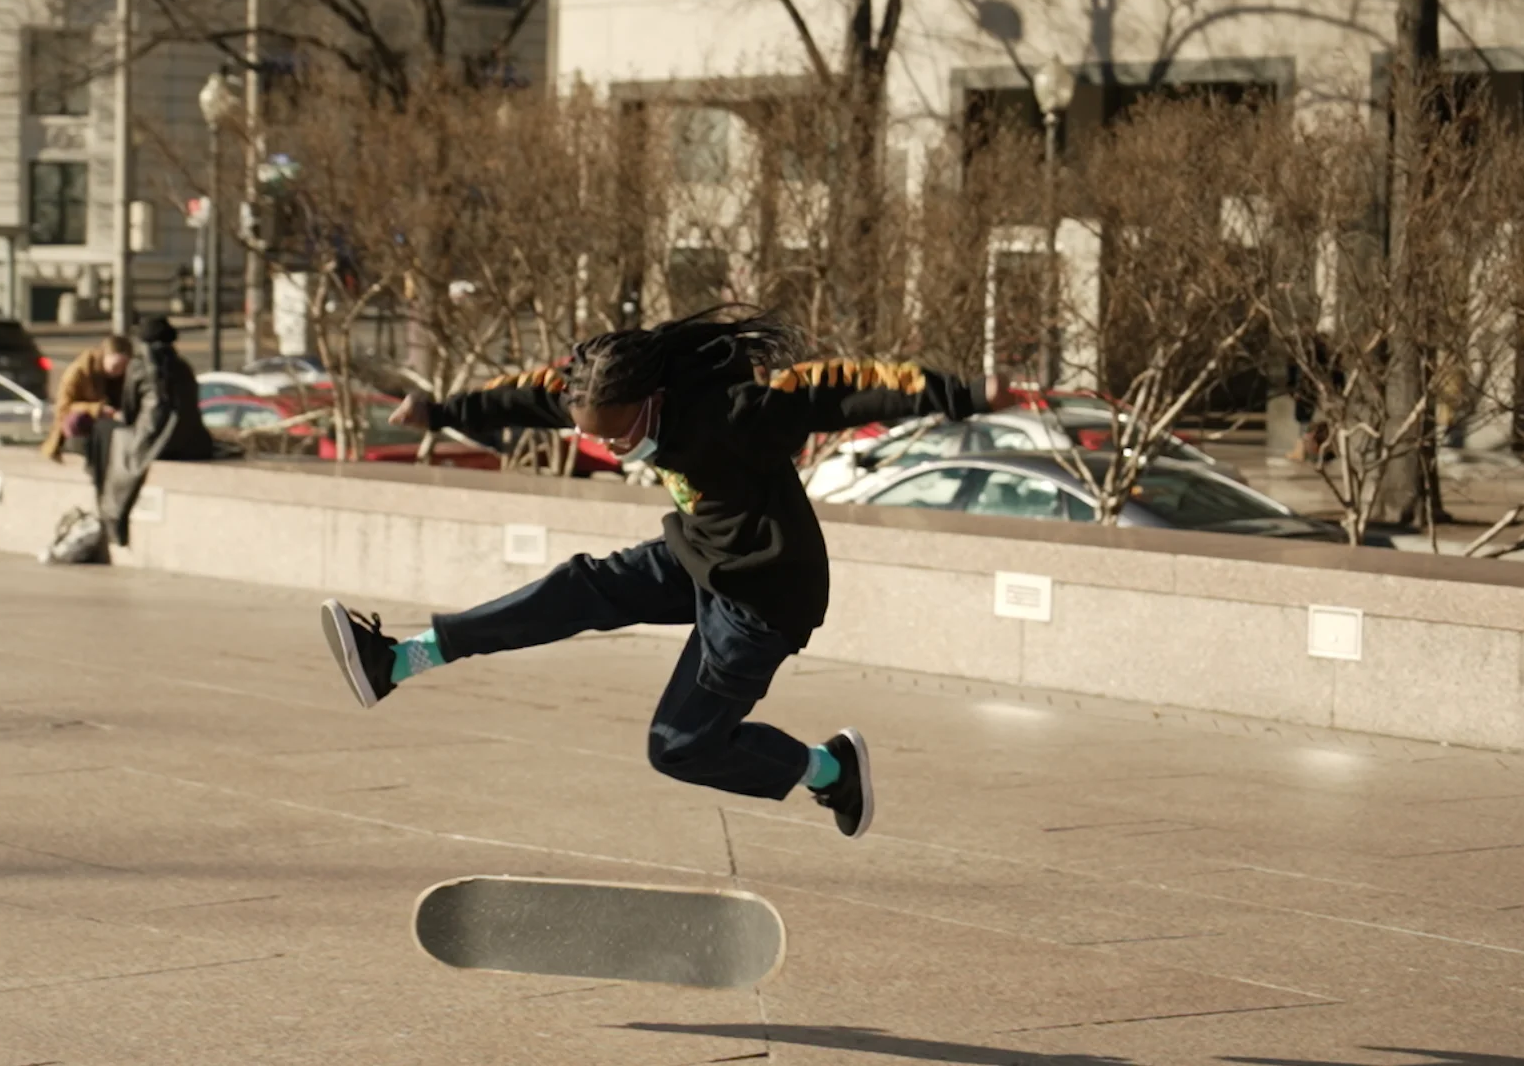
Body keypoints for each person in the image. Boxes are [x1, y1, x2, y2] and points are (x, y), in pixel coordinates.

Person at [318, 307, 1018, 840]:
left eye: (620, 434)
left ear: (652, 401)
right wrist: (442, 411)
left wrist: (964, 393)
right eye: (598, 435)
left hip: (762, 598)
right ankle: (401, 660)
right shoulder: (602, 391)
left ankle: (830, 770)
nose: (616, 447)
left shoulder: (742, 412)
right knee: (578, 587)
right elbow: (533, 395)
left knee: (680, 746)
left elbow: (841, 388)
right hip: (695, 557)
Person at [85, 315, 213, 546]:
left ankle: (110, 514)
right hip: (192, 441)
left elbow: (130, 410)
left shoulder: (139, 366)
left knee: (106, 433)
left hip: (157, 441)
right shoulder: (184, 366)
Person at [42, 334, 132, 463]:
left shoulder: (127, 376)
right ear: (104, 356)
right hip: (85, 422)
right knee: (76, 421)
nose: (119, 371)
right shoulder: (79, 371)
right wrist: (97, 409)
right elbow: (64, 407)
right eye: (116, 366)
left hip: (114, 422)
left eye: (124, 366)